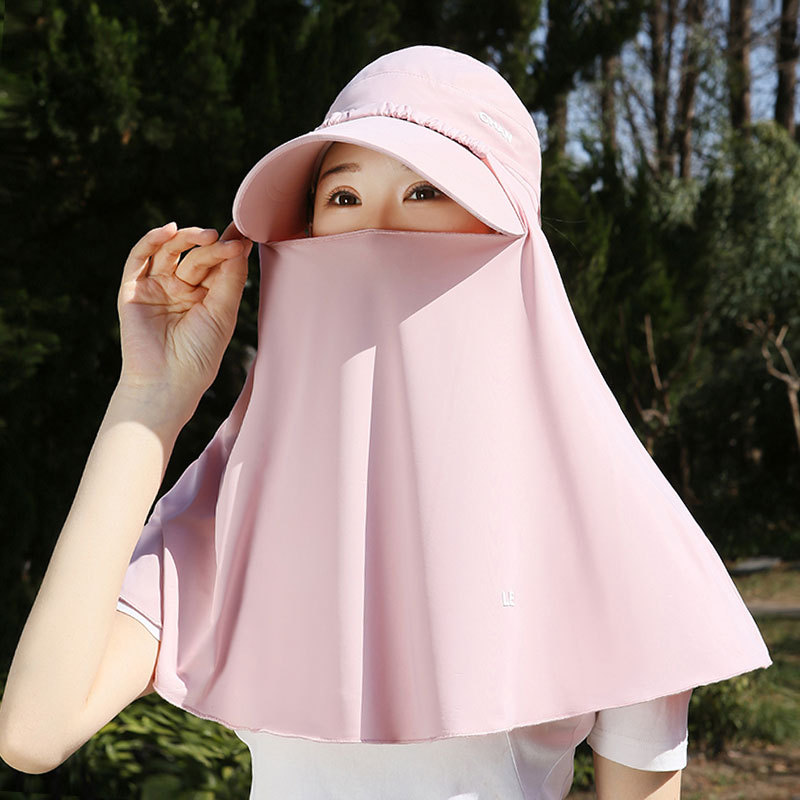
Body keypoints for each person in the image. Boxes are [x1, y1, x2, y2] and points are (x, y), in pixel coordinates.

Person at [0, 45, 770, 800]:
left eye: (426, 191)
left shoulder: (610, 526)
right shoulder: (236, 504)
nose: (376, 228)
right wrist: (151, 396)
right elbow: (35, 731)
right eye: (342, 197)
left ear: (512, 237)